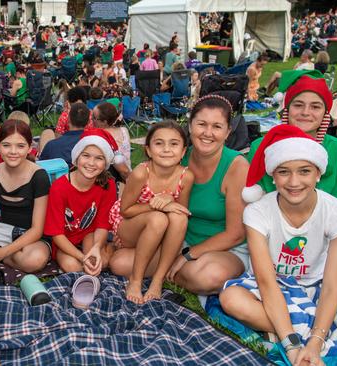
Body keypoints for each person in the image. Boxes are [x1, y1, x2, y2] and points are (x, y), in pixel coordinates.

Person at [220, 124, 337, 366]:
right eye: (284, 172)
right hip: (274, 288)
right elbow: (266, 281)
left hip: (319, 286)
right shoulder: (257, 212)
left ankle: (298, 325)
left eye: (304, 171)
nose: (294, 182)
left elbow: (333, 286)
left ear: (318, 173)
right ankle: (334, 324)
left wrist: (315, 343)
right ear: (273, 175)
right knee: (231, 299)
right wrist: (293, 347)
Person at [247, 70, 337, 285]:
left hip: (323, 235)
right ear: (287, 109)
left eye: (315, 106)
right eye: (298, 105)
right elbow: (253, 201)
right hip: (271, 234)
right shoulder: (259, 148)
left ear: (325, 112)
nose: (305, 112)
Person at [167, 95, 250, 295]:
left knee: (208, 277)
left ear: (228, 132)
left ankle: (166, 272)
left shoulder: (237, 166)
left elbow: (236, 234)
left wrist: (188, 255)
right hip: (179, 241)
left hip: (226, 249)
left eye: (217, 126)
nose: (208, 133)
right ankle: (170, 270)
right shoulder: (177, 157)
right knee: (121, 264)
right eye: (202, 124)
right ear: (190, 125)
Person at [109, 121, 194, 304]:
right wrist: (156, 205)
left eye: (174, 144)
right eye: (159, 143)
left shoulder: (186, 176)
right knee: (158, 219)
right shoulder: (141, 173)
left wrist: (170, 201)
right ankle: (136, 280)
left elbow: (180, 211)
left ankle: (158, 280)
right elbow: (125, 210)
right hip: (129, 224)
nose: (166, 149)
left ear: (183, 151)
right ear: (148, 150)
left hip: (159, 231)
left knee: (178, 218)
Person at [0, 120, 51, 273]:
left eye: (20, 146)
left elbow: (37, 229)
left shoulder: (39, 177)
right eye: (6, 145)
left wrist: (3, 252)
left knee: (35, 259)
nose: (13, 151)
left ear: (29, 148)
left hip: (31, 236)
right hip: (0, 230)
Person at [44, 129, 118, 275]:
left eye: (99, 158)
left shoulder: (107, 184)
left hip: (90, 234)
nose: (91, 163)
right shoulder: (59, 187)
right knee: (73, 267)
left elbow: (103, 224)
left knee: (100, 263)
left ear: (106, 163)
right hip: (65, 239)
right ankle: (104, 250)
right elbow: (57, 234)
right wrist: (82, 258)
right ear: (76, 158)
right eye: (86, 155)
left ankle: (108, 248)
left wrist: (97, 247)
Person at [91, 102, 131, 182]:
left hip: (111, 179)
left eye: (94, 118)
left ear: (104, 121)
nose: (92, 120)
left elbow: (122, 169)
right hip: (128, 173)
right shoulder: (124, 131)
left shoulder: (100, 136)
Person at [40, 102, 88, 166]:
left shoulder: (52, 145)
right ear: (88, 122)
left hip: (59, 174)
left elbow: (41, 167)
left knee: (47, 132)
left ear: (68, 120)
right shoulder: (92, 144)